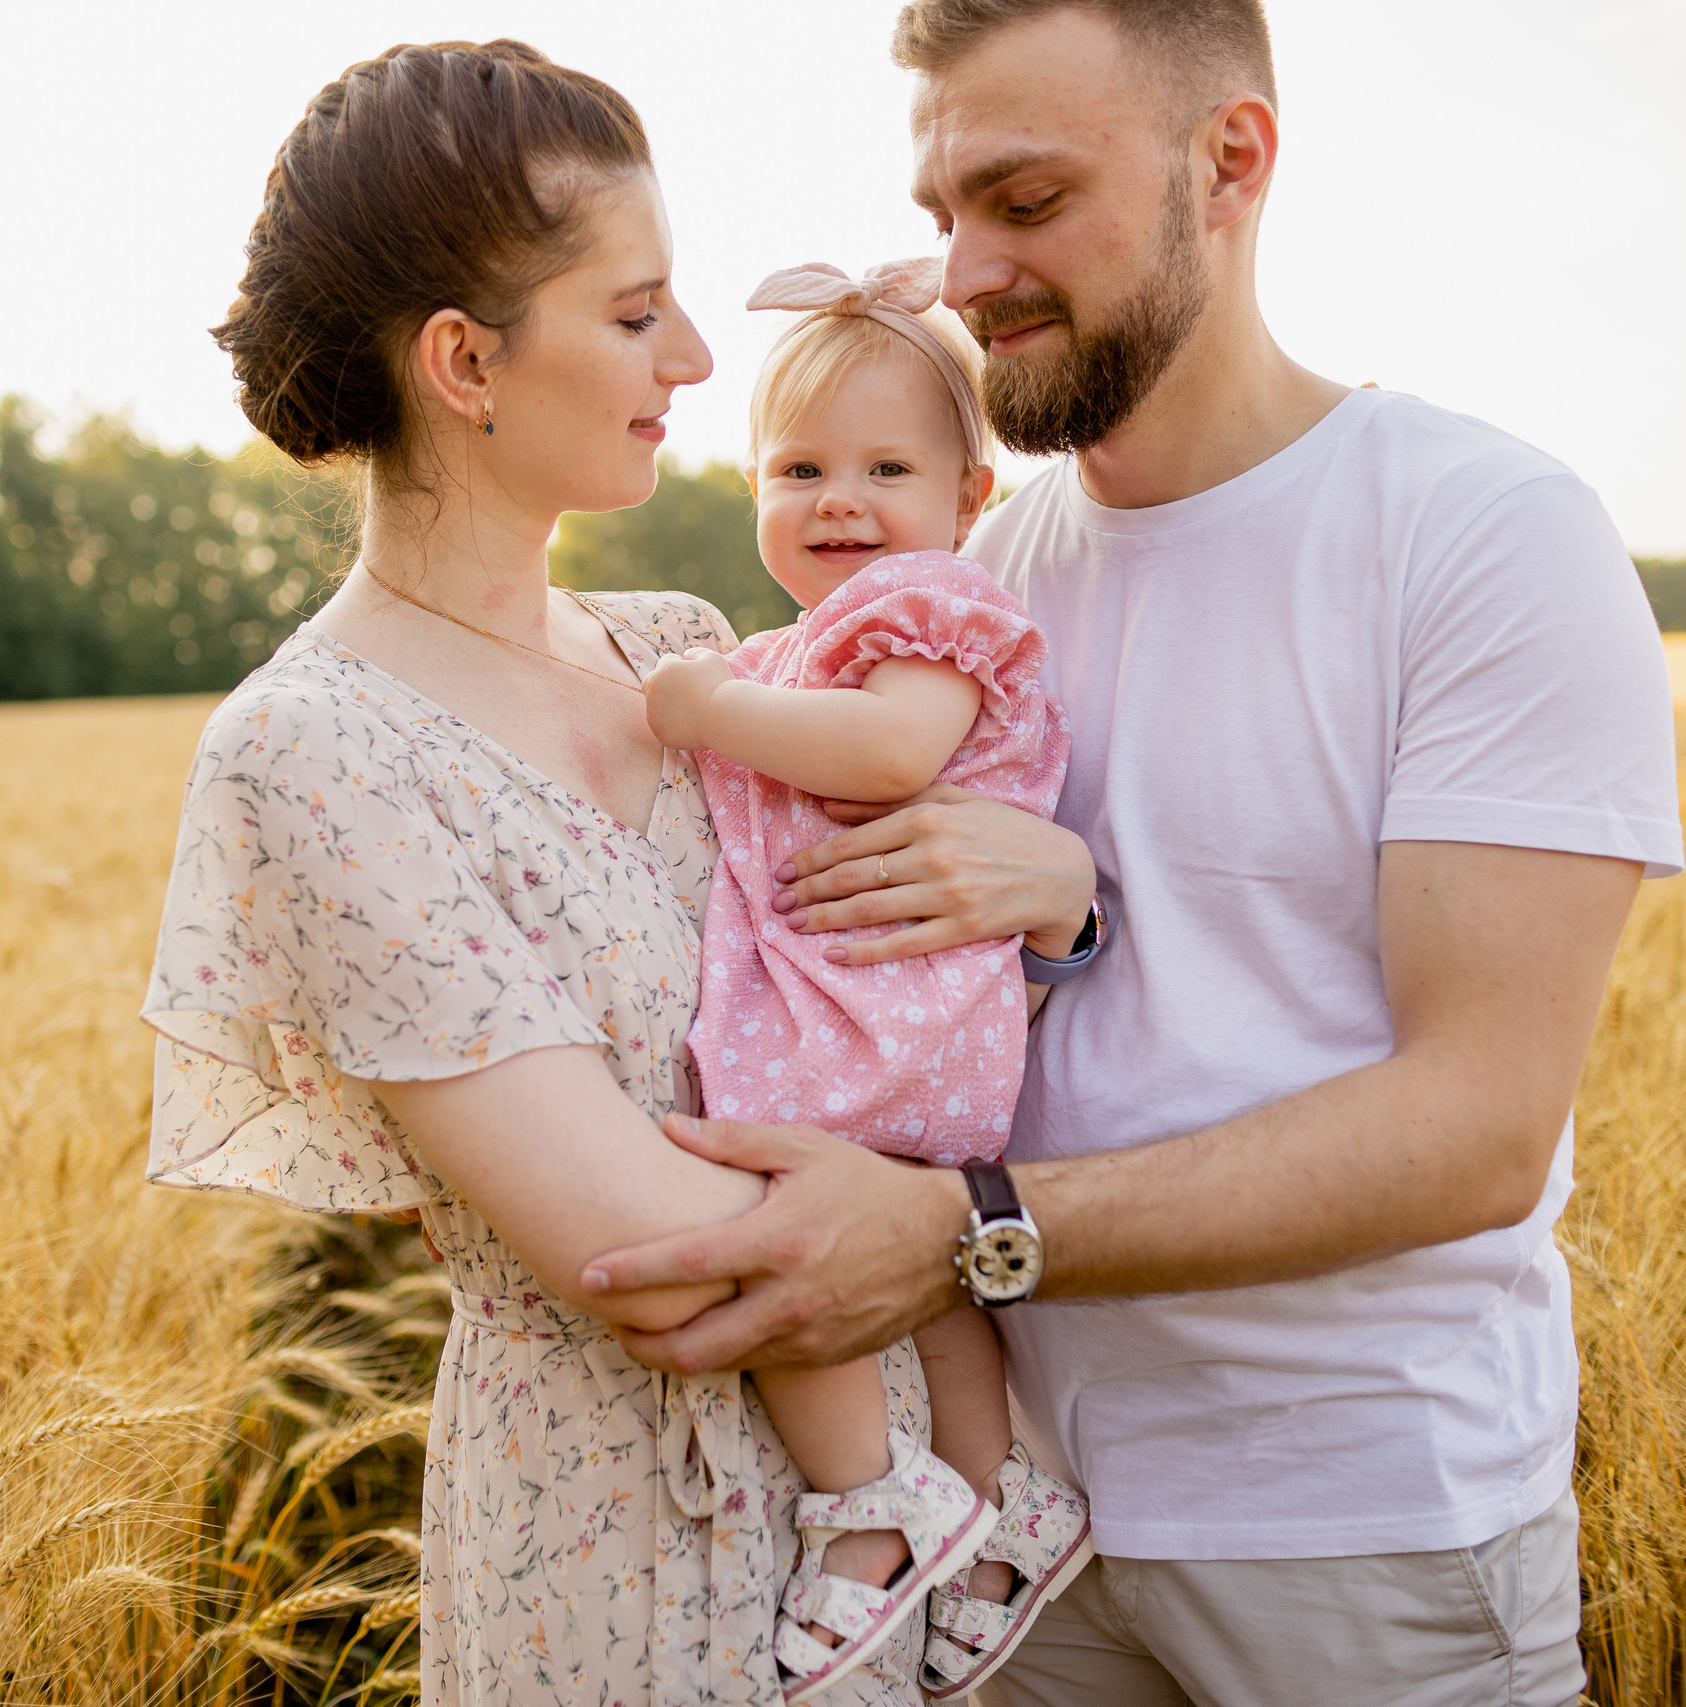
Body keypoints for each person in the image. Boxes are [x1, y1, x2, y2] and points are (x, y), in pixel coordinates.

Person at [578, 3, 1684, 1703]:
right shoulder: (965, 566)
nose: (962, 274)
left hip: (1358, 1535)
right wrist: (1068, 917)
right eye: (944, 211)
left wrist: (963, 1232)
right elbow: (1015, 960)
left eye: (1024, 201)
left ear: (1229, 160)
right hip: (1021, 1524)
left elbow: (1476, 1127)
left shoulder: (1478, 536)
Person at [138, 39, 1092, 1707]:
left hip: (902, 1535)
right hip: (628, 1553)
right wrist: (970, 1226)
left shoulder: (683, 647)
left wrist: (1056, 887)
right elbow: (634, 1244)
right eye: (638, 312)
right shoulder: (318, 747)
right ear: (465, 361)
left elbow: (903, 969)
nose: (702, 357)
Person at [639, 256, 1090, 1701]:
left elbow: (893, 757)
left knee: (790, 1222)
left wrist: (712, 703)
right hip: (884, 1011)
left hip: (888, 1015)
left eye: (887, 467)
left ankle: (867, 1502)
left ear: (969, 500)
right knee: (937, 1275)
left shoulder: (928, 613)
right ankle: (1000, 1487)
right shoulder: (805, 644)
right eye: (799, 467)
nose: (839, 499)